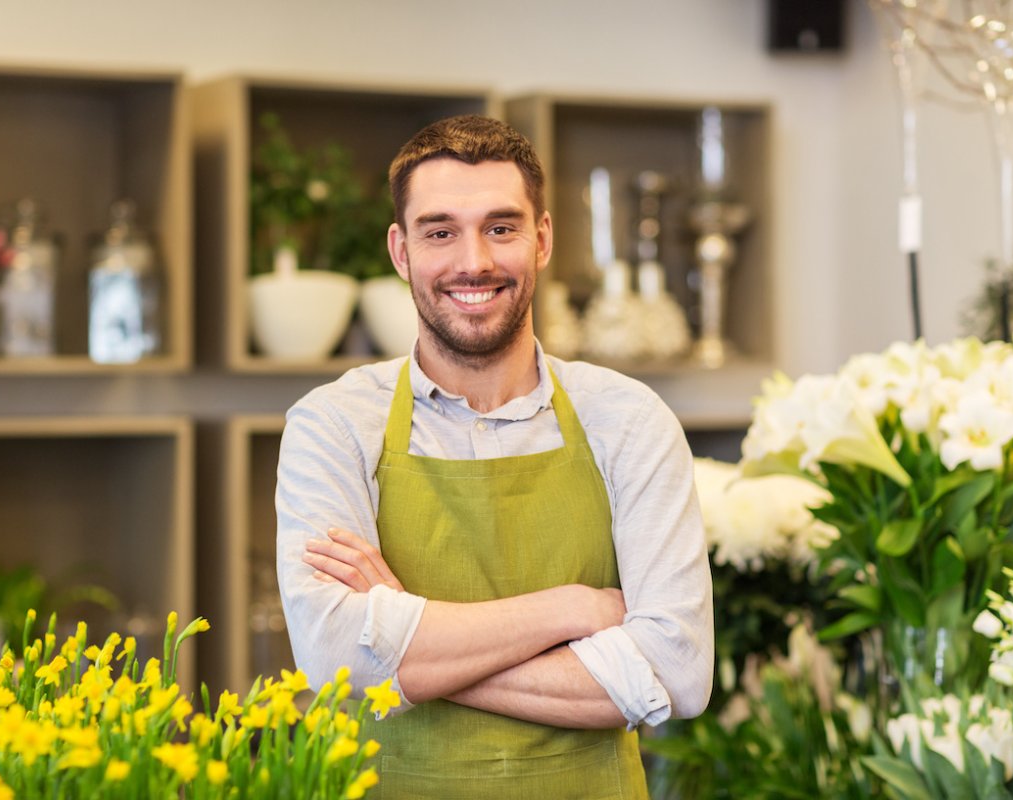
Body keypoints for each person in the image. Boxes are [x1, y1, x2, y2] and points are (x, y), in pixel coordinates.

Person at [276, 114, 713, 799]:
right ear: (401, 251)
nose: (472, 261)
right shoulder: (333, 425)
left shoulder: (628, 421)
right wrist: (572, 609)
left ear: (541, 239)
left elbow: (677, 671)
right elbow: (334, 657)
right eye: (440, 231)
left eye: (500, 228)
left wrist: (402, 636)